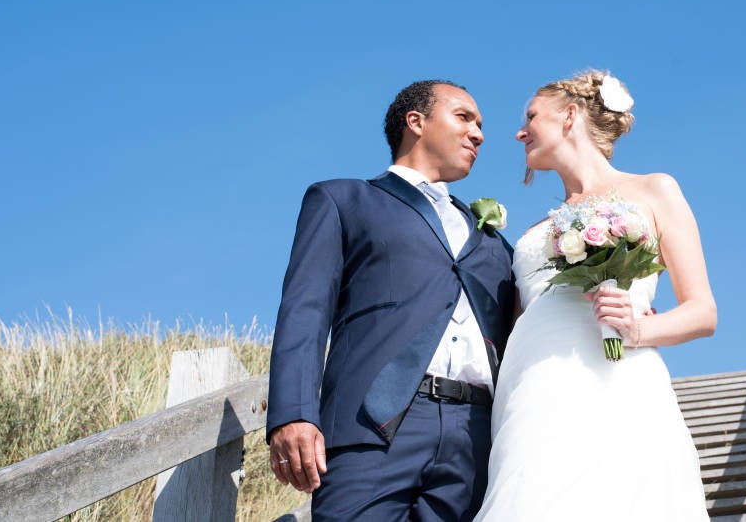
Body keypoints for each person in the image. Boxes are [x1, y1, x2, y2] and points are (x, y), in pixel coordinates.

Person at [266, 80, 516, 520]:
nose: (478, 134)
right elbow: (305, 311)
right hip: (371, 425)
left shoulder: (496, 243)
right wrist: (294, 413)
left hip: (477, 440)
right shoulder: (342, 200)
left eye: (480, 125)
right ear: (415, 121)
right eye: (464, 118)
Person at [474, 70, 717, 521]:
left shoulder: (654, 189)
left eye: (531, 117)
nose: (520, 132)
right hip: (531, 392)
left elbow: (703, 312)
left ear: (569, 115)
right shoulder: (532, 232)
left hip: (616, 379)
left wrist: (637, 328)